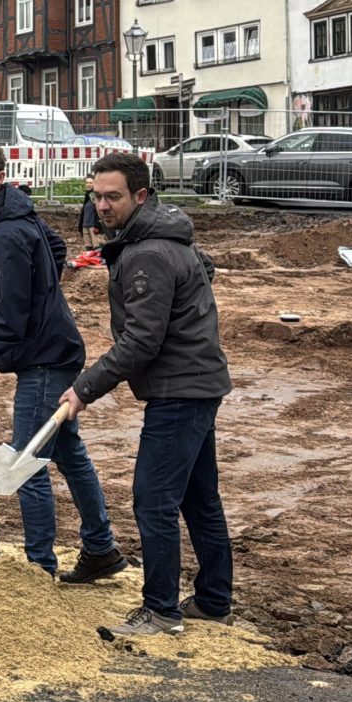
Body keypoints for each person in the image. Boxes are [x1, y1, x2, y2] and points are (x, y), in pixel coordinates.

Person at [65, 151, 234, 636]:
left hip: (179, 390)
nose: (101, 206)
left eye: (112, 196)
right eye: (96, 196)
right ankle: (214, 600)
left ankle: (161, 610)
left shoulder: (147, 253)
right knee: (199, 497)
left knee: (153, 499)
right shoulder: (158, 238)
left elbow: (141, 340)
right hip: (198, 382)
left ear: (141, 195)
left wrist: (84, 388)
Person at [0, 140, 126, 582]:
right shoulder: (11, 214)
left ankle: (39, 568)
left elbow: (6, 321)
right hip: (54, 347)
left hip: (44, 358)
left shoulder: (5, 235)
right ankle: (100, 546)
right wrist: (44, 288)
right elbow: (57, 245)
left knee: (26, 460)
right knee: (67, 450)